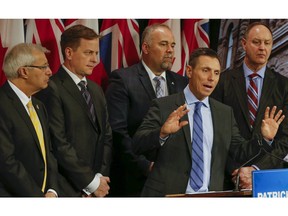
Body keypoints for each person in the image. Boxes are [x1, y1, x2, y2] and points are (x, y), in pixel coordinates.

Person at [132, 47, 285, 197]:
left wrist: (265, 138)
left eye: (216, 73)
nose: (212, 78)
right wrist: (162, 133)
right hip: (168, 196)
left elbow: (240, 152)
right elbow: (137, 144)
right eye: (206, 70)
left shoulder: (224, 113)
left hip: (210, 198)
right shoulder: (164, 106)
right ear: (189, 71)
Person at [105, 23, 188, 196]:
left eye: (172, 45)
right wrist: (144, 166)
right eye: (163, 44)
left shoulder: (182, 83)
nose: (170, 50)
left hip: (175, 179)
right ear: (146, 47)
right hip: (136, 180)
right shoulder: (123, 79)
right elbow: (118, 132)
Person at [35, 24, 112, 197]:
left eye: (96, 53)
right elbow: (59, 143)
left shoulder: (96, 90)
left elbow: (106, 137)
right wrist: (89, 182)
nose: (95, 60)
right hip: (67, 188)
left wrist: (99, 179)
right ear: (69, 53)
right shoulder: (51, 88)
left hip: (97, 189)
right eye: (88, 53)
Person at [211, 22, 288, 189]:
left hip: (269, 179)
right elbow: (216, 134)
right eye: (256, 42)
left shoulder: (284, 86)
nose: (262, 48)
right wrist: (235, 171)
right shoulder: (222, 82)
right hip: (227, 179)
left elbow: (285, 140)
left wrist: (256, 171)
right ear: (244, 44)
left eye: (267, 43)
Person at [0, 43, 59, 197]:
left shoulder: (39, 106)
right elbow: (6, 162)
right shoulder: (2, 105)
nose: (50, 72)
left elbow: (48, 153)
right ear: (24, 71)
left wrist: (52, 190)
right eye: (44, 67)